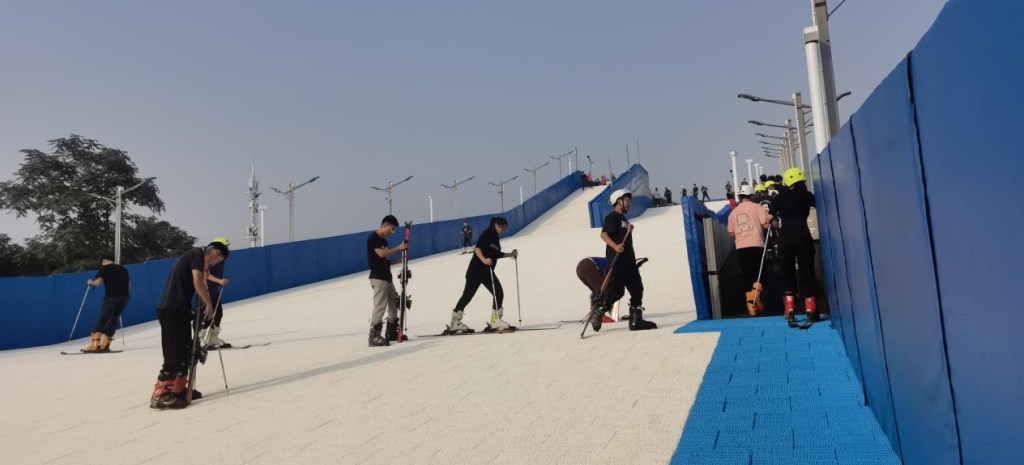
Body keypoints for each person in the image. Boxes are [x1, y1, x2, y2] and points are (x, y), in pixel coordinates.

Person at [150, 241, 230, 410]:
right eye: (217, 260)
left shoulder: (197, 258)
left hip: (181, 310)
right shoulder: (197, 254)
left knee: (186, 350)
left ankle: (178, 389)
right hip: (171, 309)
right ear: (215, 252)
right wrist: (208, 303)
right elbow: (198, 281)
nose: (215, 264)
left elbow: (203, 277)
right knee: (173, 353)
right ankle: (160, 395)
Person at [590, 189, 657, 332]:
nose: (629, 203)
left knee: (637, 288)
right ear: (618, 201)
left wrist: (629, 228)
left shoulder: (624, 220)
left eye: (630, 201)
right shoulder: (612, 216)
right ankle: (598, 312)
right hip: (617, 262)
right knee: (617, 291)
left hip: (629, 262)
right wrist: (615, 246)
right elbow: (603, 235)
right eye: (627, 200)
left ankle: (636, 321)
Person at [447, 216, 518, 333]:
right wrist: (484, 260)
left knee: (498, 293)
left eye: (505, 228)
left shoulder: (495, 237)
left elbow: (496, 254)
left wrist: (510, 254)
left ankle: (495, 321)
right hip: (476, 271)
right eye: (502, 227)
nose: (503, 230)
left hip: (486, 272)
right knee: (467, 296)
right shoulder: (487, 234)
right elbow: (477, 249)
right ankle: (455, 323)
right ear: (496, 225)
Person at [770, 167, 818, 325]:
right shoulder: (807, 195)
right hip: (802, 234)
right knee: (806, 270)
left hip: (785, 237)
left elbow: (770, 218)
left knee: (787, 271)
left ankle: (790, 309)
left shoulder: (779, 197)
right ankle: (810, 309)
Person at [728, 185, 773, 315]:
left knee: (748, 276)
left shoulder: (733, 212)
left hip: (741, 247)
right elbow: (765, 224)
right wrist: (771, 219)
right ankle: (755, 297)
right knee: (761, 274)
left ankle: (751, 306)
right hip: (756, 245)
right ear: (751, 195)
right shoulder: (757, 207)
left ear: (739, 197)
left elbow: (731, 233)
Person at [367, 215, 410, 347]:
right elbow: (381, 254)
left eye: (394, 230)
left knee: (394, 304)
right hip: (378, 277)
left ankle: (391, 332)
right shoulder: (373, 238)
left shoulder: (384, 242)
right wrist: (399, 248)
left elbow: (386, 260)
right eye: (391, 229)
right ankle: (373, 336)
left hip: (387, 277)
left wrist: (400, 260)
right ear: (384, 225)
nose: (392, 232)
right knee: (380, 305)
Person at [82, 255, 130, 353]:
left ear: (104, 261)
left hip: (111, 297)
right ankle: (105, 345)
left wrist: (90, 282)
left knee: (103, 318)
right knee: (114, 318)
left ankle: (94, 345)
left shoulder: (104, 268)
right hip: (125, 297)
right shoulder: (123, 269)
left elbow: (98, 282)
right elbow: (129, 284)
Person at [200, 237, 232, 349]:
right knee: (207, 316)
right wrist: (219, 281)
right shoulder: (208, 259)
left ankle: (213, 338)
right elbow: (205, 274)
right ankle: (202, 341)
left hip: (214, 291)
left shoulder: (221, 260)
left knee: (218, 314)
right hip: (206, 291)